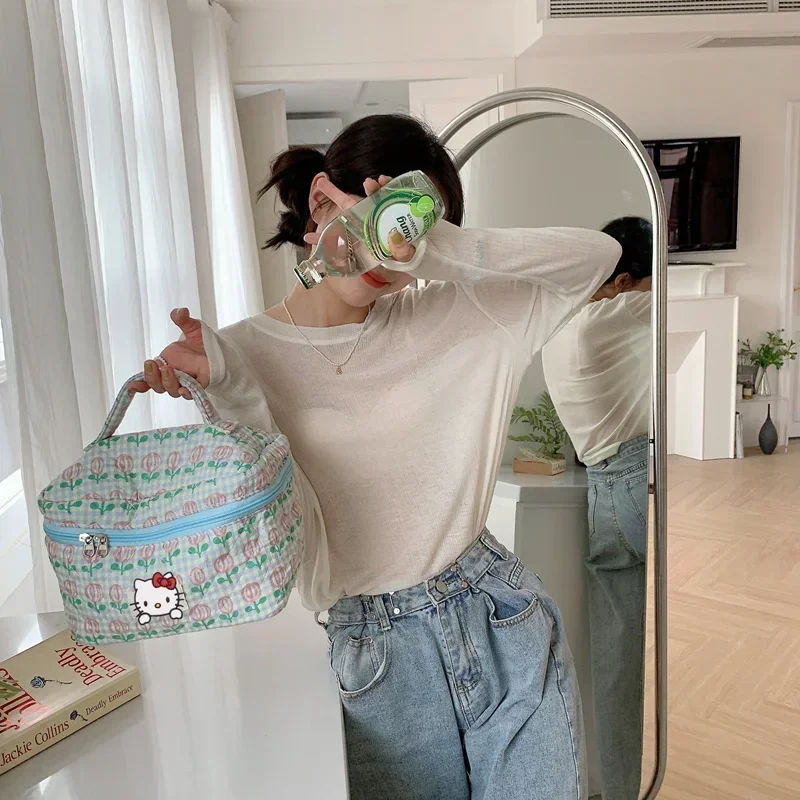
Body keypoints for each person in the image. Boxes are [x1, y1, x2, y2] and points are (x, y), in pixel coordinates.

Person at [130, 114, 622, 800]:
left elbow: (597, 256)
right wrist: (232, 392)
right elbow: (285, 537)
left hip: (497, 616)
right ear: (321, 202)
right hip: (377, 655)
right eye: (383, 214)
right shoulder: (237, 356)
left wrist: (438, 249)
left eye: (414, 223)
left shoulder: (462, 313)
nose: (390, 252)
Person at [542, 216, 653, 800]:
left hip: (603, 490)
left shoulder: (561, 326)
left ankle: (619, 787)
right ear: (625, 281)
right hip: (638, 476)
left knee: (617, 659)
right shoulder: (618, 314)